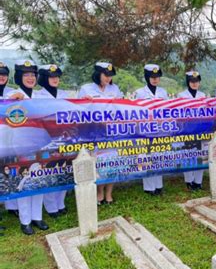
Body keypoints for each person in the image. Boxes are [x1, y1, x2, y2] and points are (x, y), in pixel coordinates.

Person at [6, 59, 49, 235]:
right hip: (19, 145)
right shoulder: (12, 95)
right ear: (18, 77)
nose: (30, 78)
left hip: (39, 143)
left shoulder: (40, 96)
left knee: (38, 178)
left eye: (33, 75)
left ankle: (37, 216)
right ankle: (25, 221)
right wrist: (10, 101)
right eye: (26, 75)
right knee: (23, 181)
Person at [78, 62, 123, 204]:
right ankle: (99, 193)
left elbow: (122, 108)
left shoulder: (114, 89)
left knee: (111, 162)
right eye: (106, 75)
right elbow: (78, 111)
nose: (108, 79)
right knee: (97, 163)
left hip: (111, 131)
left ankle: (109, 194)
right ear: (98, 74)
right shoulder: (86, 89)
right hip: (93, 132)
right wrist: (83, 102)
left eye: (110, 76)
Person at [37, 64, 69, 218]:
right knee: (50, 171)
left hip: (64, 138)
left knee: (63, 169)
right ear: (44, 78)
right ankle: (51, 207)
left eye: (57, 76)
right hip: (46, 140)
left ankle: (61, 203)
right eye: (51, 76)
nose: (55, 79)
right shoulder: (37, 96)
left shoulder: (64, 94)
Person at [134, 64, 167, 196]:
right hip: (145, 129)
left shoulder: (163, 92)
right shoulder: (140, 92)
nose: (155, 79)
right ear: (147, 77)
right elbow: (136, 111)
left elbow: (167, 110)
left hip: (160, 129)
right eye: (152, 77)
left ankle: (159, 186)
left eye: (157, 77)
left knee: (158, 157)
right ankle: (149, 188)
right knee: (146, 158)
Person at [177, 70, 206, 190]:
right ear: (188, 82)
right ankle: (189, 181)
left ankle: (198, 181)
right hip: (187, 129)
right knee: (187, 155)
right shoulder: (181, 95)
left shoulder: (202, 95)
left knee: (200, 154)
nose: (194, 84)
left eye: (196, 81)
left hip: (200, 129)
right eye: (192, 81)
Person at [0, 62, 19, 221]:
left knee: (10, 173)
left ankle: (12, 206)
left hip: (8, 140)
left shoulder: (12, 92)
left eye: (4, 74)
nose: (2, 77)